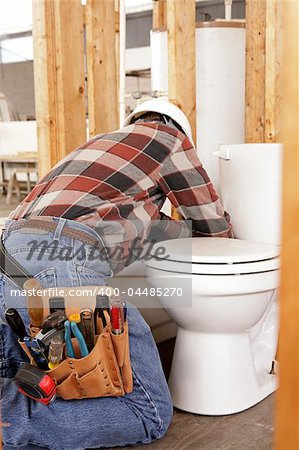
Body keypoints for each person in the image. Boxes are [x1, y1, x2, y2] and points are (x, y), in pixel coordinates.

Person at [0, 99, 233, 450]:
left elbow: (154, 231)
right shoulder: (167, 137)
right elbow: (215, 228)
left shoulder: (99, 153)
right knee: (147, 410)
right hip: (60, 253)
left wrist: (173, 228)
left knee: (23, 380)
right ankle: (10, 424)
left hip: (8, 255)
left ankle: (14, 415)